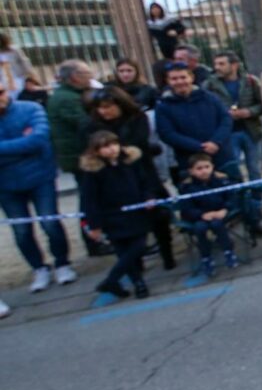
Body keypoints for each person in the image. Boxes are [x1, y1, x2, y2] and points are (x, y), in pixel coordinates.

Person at [82, 86, 176, 270]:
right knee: (124, 227)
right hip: (110, 179)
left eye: (109, 106)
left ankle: (168, 255)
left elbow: (139, 144)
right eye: (101, 107)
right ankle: (135, 266)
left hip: (142, 171)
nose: (104, 111)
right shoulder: (91, 126)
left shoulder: (136, 119)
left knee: (159, 218)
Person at [0, 81, 75, 292]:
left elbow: (39, 139)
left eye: (1, 92)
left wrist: (6, 151)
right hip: (6, 184)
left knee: (50, 222)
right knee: (22, 230)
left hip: (40, 177)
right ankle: (39, 268)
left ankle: (62, 263)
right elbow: (30, 144)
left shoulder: (30, 108)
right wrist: (22, 148)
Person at [202, 50, 262, 234]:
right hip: (227, 135)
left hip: (250, 131)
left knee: (254, 170)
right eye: (216, 64)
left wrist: (248, 112)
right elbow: (206, 107)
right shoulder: (209, 85)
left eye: (221, 64)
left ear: (234, 65)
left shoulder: (250, 81)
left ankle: (258, 206)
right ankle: (240, 209)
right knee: (233, 173)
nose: (217, 67)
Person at [78, 130, 154, 300]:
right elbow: (89, 200)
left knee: (139, 246)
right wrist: (94, 225)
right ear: (96, 151)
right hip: (111, 217)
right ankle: (138, 283)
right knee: (123, 251)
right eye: (105, 147)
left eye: (113, 144)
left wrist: (148, 197)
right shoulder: (93, 172)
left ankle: (112, 280)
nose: (111, 149)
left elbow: (144, 182)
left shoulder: (130, 162)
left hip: (136, 213)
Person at [46, 59, 110, 256]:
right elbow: (86, 123)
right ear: (74, 77)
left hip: (80, 154)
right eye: (86, 74)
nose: (91, 78)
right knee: (89, 199)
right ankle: (94, 241)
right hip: (80, 157)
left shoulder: (71, 94)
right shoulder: (67, 99)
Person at [155, 62, 233, 171]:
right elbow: (167, 133)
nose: (180, 82)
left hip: (222, 155)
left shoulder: (210, 98)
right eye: (174, 79)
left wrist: (216, 141)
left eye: (183, 77)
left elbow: (225, 120)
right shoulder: (163, 106)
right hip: (190, 161)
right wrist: (199, 146)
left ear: (191, 77)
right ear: (168, 81)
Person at [178, 153, 239, 276]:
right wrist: (201, 215)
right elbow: (186, 208)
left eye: (207, 167)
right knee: (200, 228)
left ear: (212, 167)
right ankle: (206, 257)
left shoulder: (222, 180)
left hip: (220, 213)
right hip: (200, 216)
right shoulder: (186, 187)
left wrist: (225, 209)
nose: (204, 171)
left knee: (217, 224)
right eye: (199, 168)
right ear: (191, 171)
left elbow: (232, 198)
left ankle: (228, 251)